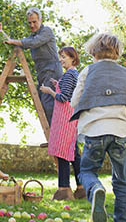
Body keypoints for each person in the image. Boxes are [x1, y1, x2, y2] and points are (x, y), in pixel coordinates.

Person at [70, 33, 126, 222]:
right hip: (120, 131)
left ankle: (96, 189)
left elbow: (74, 101)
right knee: (121, 181)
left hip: (95, 132)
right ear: (117, 52)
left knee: (87, 171)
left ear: (94, 51)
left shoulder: (88, 71)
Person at [0, 7, 63, 126]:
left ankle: (56, 133)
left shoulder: (46, 31)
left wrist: (13, 42)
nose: (32, 25)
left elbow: (33, 43)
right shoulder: (32, 36)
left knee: (48, 103)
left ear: (40, 20)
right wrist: (3, 35)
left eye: (34, 22)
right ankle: (51, 133)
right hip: (42, 73)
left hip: (52, 70)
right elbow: (23, 42)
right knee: (42, 104)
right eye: (29, 23)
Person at [40, 47, 86, 201]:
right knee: (73, 153)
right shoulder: (74, 74)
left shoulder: (69, 75)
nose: (61, 60)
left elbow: (63, 98)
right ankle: (81, 188)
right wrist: (57, 84)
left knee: (62, 153)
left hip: (64, 120)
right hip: (71, 118)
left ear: (73, 58)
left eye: (64, 57)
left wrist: (49, 91)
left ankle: (64, 190)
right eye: (60, 57)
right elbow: (68, 91)